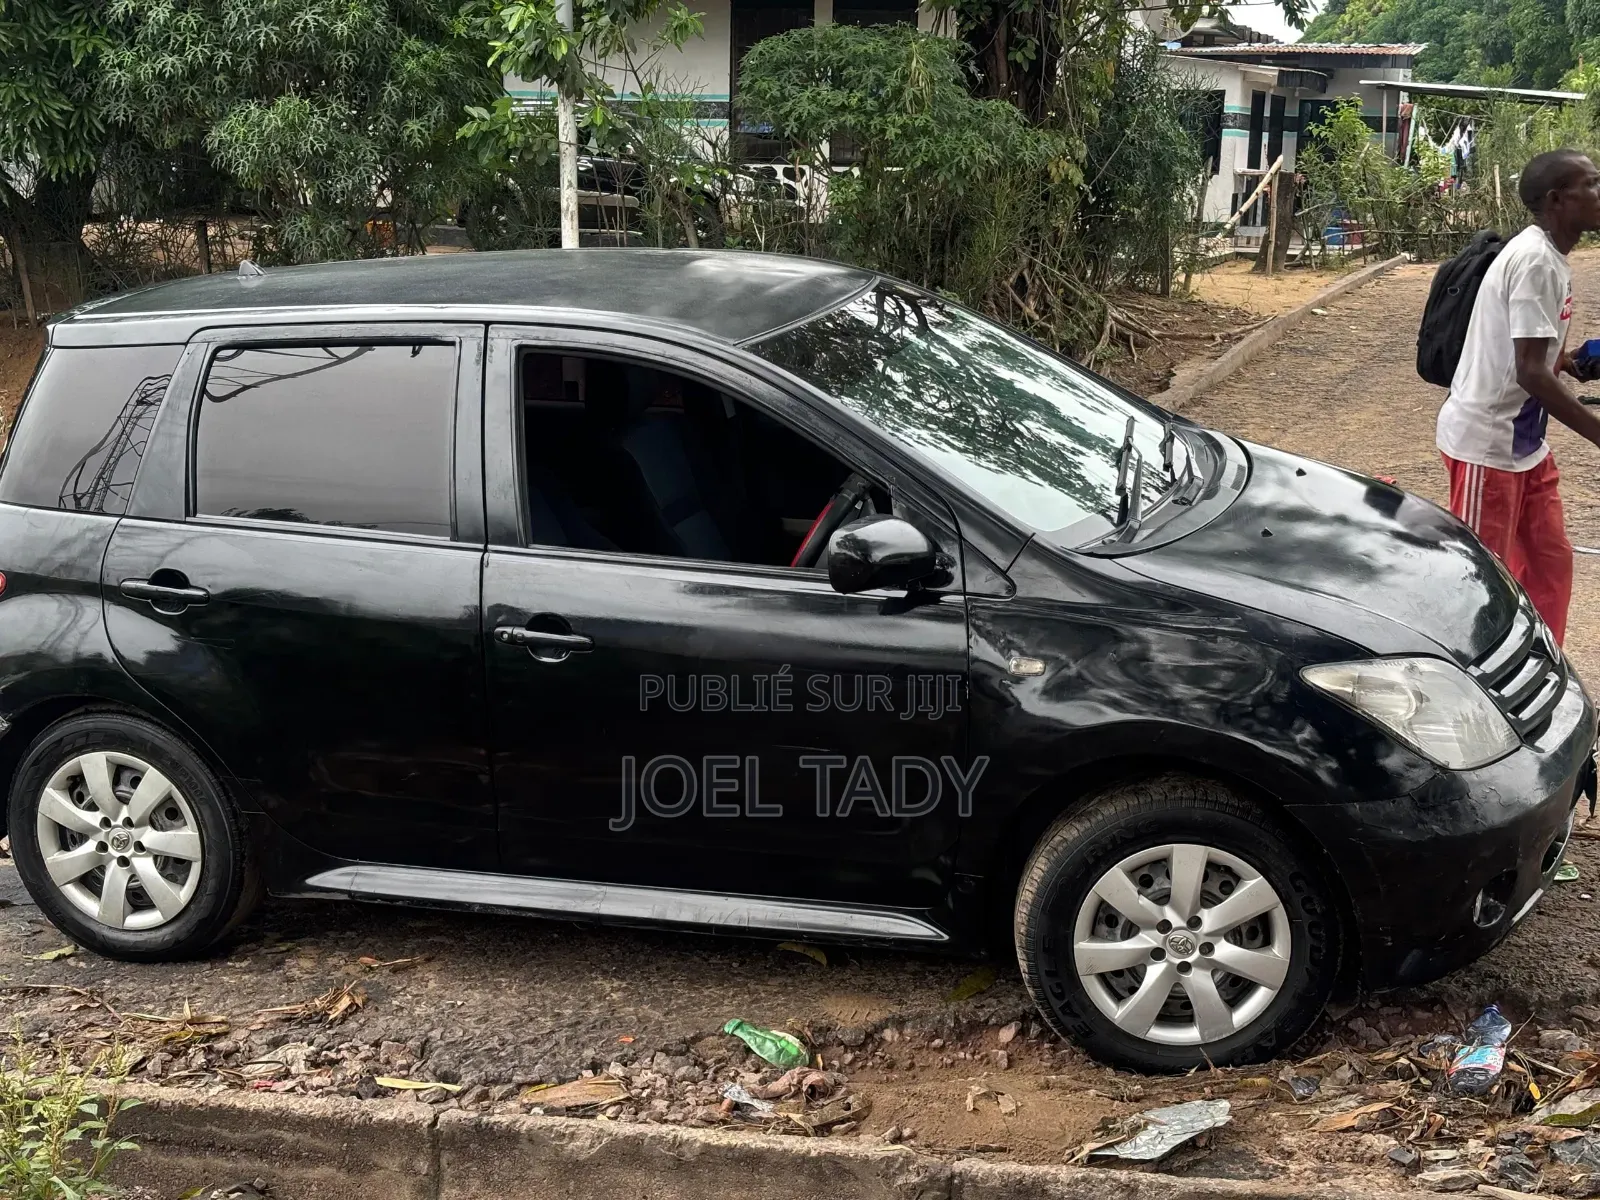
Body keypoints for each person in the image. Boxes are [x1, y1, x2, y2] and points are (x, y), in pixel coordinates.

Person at [1436, 148, 1600, 645]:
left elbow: (1533, 355)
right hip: (1488, 447)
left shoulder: (1549, 255)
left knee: (1550, 563)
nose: (1599, 194)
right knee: (1482, 583)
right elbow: (1530, 373)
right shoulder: (1535, 262)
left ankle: (1545, 667)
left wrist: (1569, 361)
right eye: (1591, 184)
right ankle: (1473, 676)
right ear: (1557, 200)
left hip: (1524, 446)